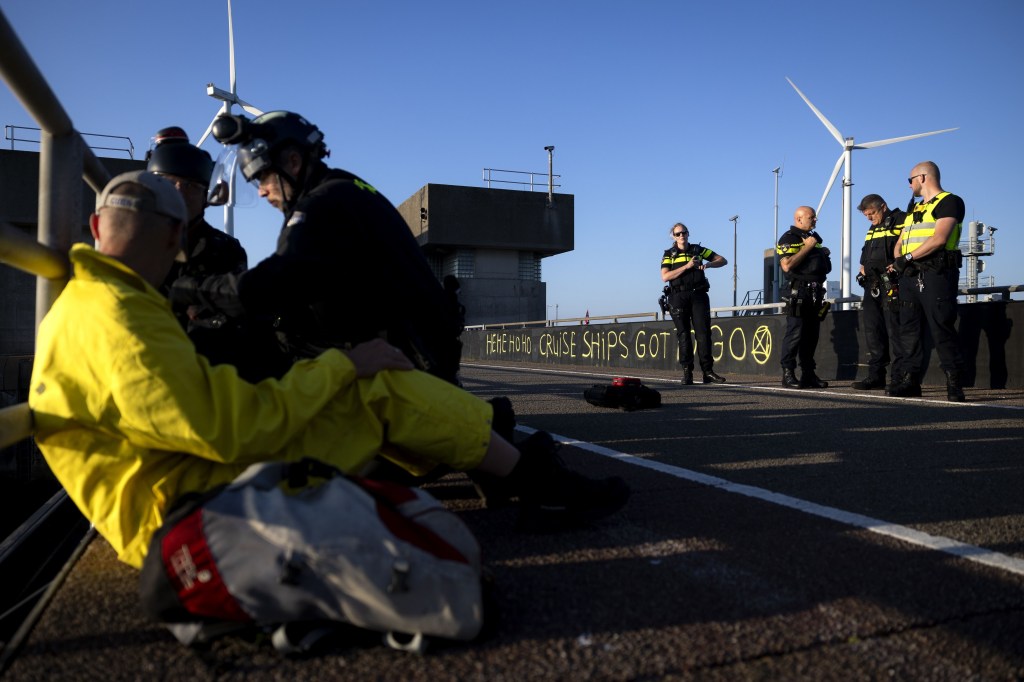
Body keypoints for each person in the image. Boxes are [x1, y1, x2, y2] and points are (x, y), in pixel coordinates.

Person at [29, 171, 629, 574]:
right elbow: (232, 429)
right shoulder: (120, 318)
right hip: (187, 513)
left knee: (365, 386)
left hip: (183, 481)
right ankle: (525, 473)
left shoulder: (96, 304)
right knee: (374, 387)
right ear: (175, 236)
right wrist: (339, 365)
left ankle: (512, 466)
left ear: (94, 228)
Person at [170, 111, 464, 386]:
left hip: (405, 363)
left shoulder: (321, 206)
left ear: (294, 163)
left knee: (232, 350)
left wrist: (188, 289)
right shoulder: (347, 188)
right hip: (419, 351)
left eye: (262, 177)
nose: (260, 191)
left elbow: (271, 285)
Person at [146, 126, 289, 382]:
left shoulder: (225, 249)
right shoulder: (136, 240)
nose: (179, 192)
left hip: (207, 370)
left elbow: (233, 315)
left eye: (190, 185)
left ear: (206, 194)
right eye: (169, 183)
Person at [889, 161, 967, 402]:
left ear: (922, 177)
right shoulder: (913, 209)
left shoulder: (950, 201)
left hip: (936, 274)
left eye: (910, 179)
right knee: (909, 331)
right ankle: (911, 381)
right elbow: (900, 242)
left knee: (941, 327)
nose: (909, 184)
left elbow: (939, 239)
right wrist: (900, 260)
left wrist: (908, 258)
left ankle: (954, 384)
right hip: (910, 277)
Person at [660, 222, 727, 385]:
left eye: (684, 232)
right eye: (678, 234)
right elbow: (665, 276)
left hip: (699, 295)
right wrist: (688, 266)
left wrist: (709, 264)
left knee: (703, 334)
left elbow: (722, 260)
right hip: (678, 296)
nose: (681, 235)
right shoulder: (669, 254)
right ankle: (687, 373)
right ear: (673, 236)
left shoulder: (698, 250)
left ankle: (708, 372)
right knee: (684, 335)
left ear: (688, 234)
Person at [851, 194, 906, 391]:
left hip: (892, 284)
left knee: (896, 331)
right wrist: (863, 268)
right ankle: (876, 376)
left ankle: (899, 377)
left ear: (883, 206)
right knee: (873, 331)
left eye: (872, 213)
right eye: (866, 215)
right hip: (872, 285)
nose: (869, 218)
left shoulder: (902, 220)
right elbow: (866, 254)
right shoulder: (873, 227)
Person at [777, 206, 832, 389]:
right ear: (799, 219)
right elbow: (787, 265)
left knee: (811, 336)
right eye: (811, 217)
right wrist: (807, 248)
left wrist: (822, 253)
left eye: (815, 217)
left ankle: (808, 374)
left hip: (815, 294)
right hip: (799, 293)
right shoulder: (789, 238)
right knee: (795, 334)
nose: (815, 220)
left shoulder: (814, 239)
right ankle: (788, 374)